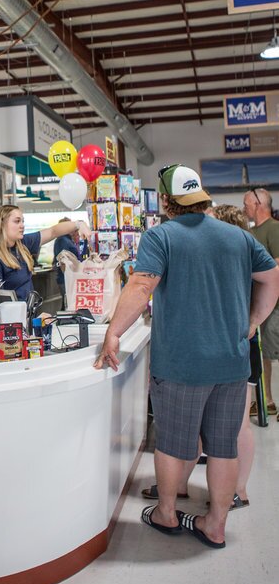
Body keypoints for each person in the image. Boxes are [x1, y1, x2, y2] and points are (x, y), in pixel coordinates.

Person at [94, 164, 279, 549]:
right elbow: (271, 277)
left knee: (174, 443)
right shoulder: (238, 236)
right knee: (223, 446)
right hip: (231, 361)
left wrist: (113, 332)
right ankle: (215, 525)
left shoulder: (161, 236)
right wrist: (252, 322)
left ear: (165, 200)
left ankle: (166, 512)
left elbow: (142, 284)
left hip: (181, 363)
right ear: (201, 195)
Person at [139, 203, 262, 509]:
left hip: (226, 349)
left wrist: (253, 321)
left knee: (229, 430)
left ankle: (234, 491)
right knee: (219, 437)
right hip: (235, 349)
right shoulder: (239, 251)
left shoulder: (229, 251)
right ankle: (198, 493)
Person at [0, 204, 81, 302]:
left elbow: (53, 231)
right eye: (17, 221)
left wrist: (79, 224)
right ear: (1, 225)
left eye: (22, 221)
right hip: (14, 318)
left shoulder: (23, 244)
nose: (22, 225)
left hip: (28, 316)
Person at [243, 187, 279, 417]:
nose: (244, 207)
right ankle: (267, 400)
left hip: (274, 305)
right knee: (265, 353)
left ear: (258, 204)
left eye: (246, 203)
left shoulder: (274, 229)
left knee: (273, 354)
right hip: (261, 304)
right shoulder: (253, 232)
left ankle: (269, 400)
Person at [52, 219, 89, 307]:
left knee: (69, 303)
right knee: (69, 304)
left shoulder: (66, 240)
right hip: (66, 279)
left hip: (69, 277)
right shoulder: (62, 240)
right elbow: (64, 260)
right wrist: (69, 276)